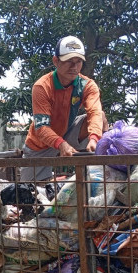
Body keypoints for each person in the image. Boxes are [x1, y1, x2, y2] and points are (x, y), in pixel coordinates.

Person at [20, 35, 109, 182]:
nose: (74, 67)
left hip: (67, 131)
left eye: (78, 61)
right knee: (28, 194)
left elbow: (94, 113)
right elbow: (41, 128)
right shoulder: (42, 86)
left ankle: (107, 160)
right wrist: (60, 144)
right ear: (56, 61)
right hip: (39, 145)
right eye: (69, 61)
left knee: (101, 116)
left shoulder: (87, 85)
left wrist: (94, 138)